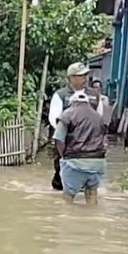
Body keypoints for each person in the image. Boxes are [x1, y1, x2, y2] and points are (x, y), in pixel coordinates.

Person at [48, 63, 103, 191]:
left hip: (89, 145)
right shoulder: (60, 95)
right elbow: (54, 120)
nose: (85, 78)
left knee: (89, 182)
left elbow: (99, 120)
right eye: (81, 75)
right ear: (71, 78)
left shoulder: (94, 96)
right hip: (67, 144)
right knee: (62, 178)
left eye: (85, 75)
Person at [53, 90, 107, 205]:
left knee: (68, 197)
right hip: (97, 163)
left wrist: (64, 156)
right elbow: (104, 139)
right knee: (92, 194)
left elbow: (59, 139)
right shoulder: (98, 117)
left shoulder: (67, 114)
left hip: (75, 162)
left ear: (73, 103)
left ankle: (65, 221)